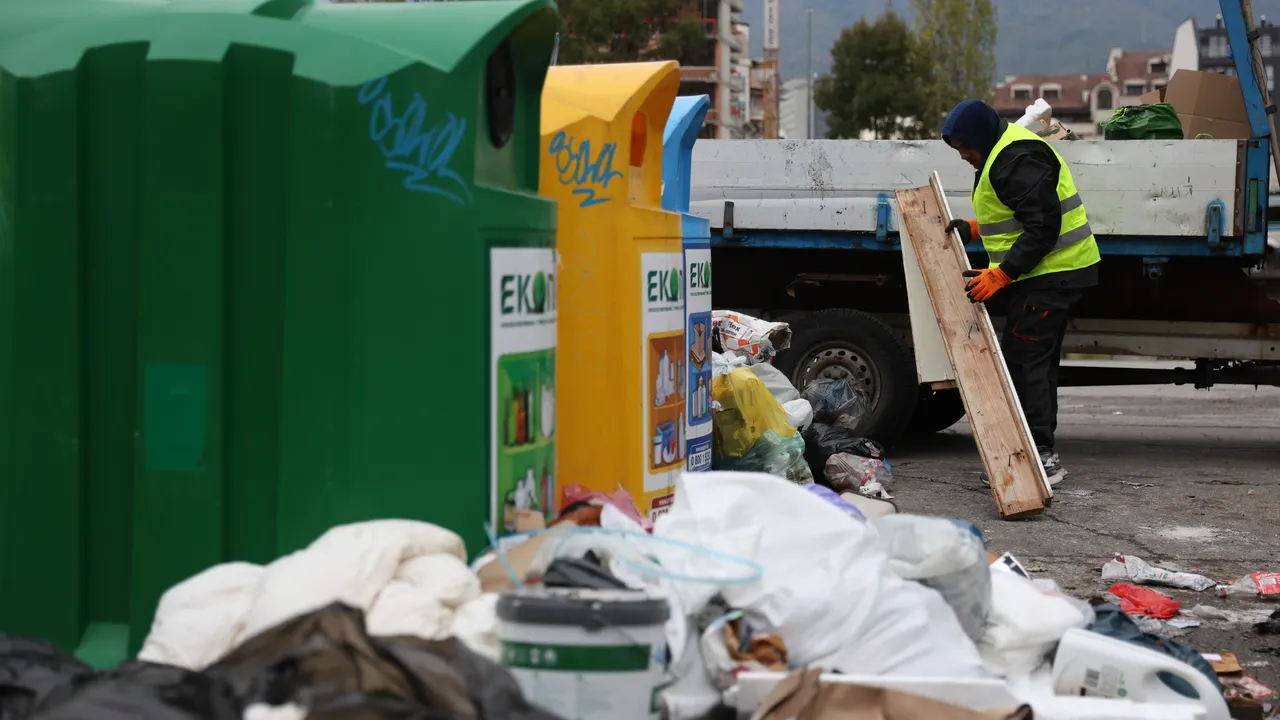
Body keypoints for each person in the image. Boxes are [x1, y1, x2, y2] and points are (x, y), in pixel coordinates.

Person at [941, 99, 1100, 485]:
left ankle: (1039, 456)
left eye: (965, 147)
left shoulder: (1013, 159)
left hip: (1052, 275)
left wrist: (1001, 275)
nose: (963, 155)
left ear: (980, 136)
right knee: (1034, 363)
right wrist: (974, 229)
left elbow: (1043, 226)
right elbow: (1018, 211)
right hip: (1049, 274)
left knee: (1024, 362)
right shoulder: (1002, 151)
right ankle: (1039, 452)